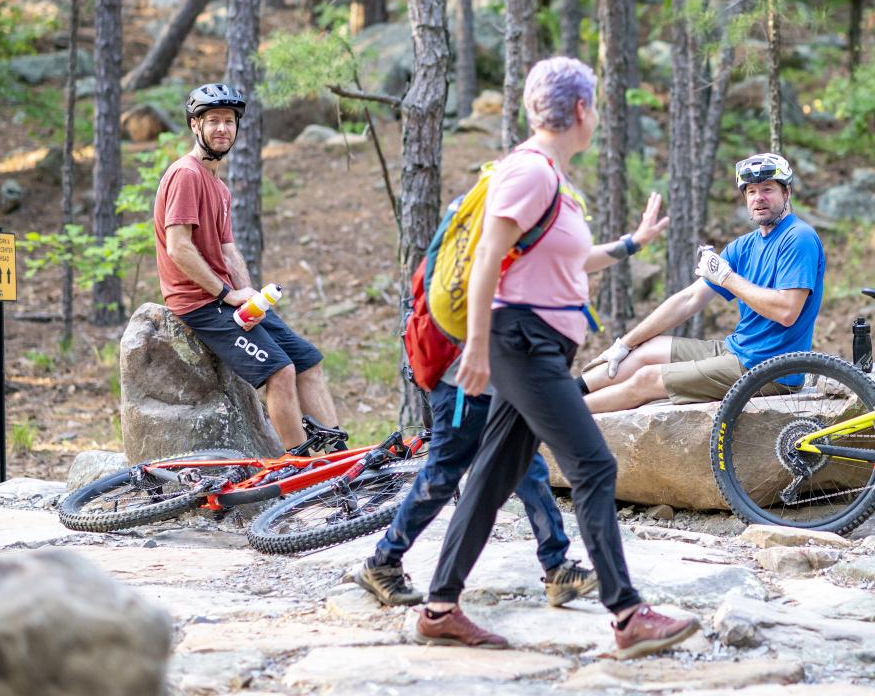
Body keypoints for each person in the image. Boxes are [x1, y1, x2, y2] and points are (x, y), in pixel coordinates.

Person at [414, 56, 698, 657]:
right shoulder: (531, 172)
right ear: (580, 110)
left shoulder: (552, 180)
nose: (595, 115)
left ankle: (439, 608)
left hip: (535, 344)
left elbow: (567, 259)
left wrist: (630, 244)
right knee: (594, 465)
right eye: (593, 105)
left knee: (490, 478)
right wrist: (482, 351)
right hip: (521, 342)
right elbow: (490, 253)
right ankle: (626, 615)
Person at [152, 83, 340, 451]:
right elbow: (178, 248)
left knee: (307, 360)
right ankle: (300, 468)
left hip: (226, 300)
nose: (222, 128)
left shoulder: (218, 186)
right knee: (280, 370)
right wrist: (226, 293)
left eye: (228, 121)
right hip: (199, 303)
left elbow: (228, 250)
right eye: (213, 121)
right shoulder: (185, 174)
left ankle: (340, 457)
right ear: (195, 126)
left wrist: (251, 299)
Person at [579, 152, 825, 414]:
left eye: (767, 189)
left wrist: (728, 278)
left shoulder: (798, 238)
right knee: (643, 350)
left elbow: (787, 312)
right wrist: (624, 344)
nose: (758, 198)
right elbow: (689, 300)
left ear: (787, 192)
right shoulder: (744, 246)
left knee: (646, 379)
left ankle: (556, 419)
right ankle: (563, 395)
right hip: (737, 351)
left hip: (771, 370)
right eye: (751, 191)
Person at [351, 357, 599, 609]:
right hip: (460, 387)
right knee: (440, 479)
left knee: (528, 467)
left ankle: (557, 566)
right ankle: (383, 562)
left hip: (492, 385)